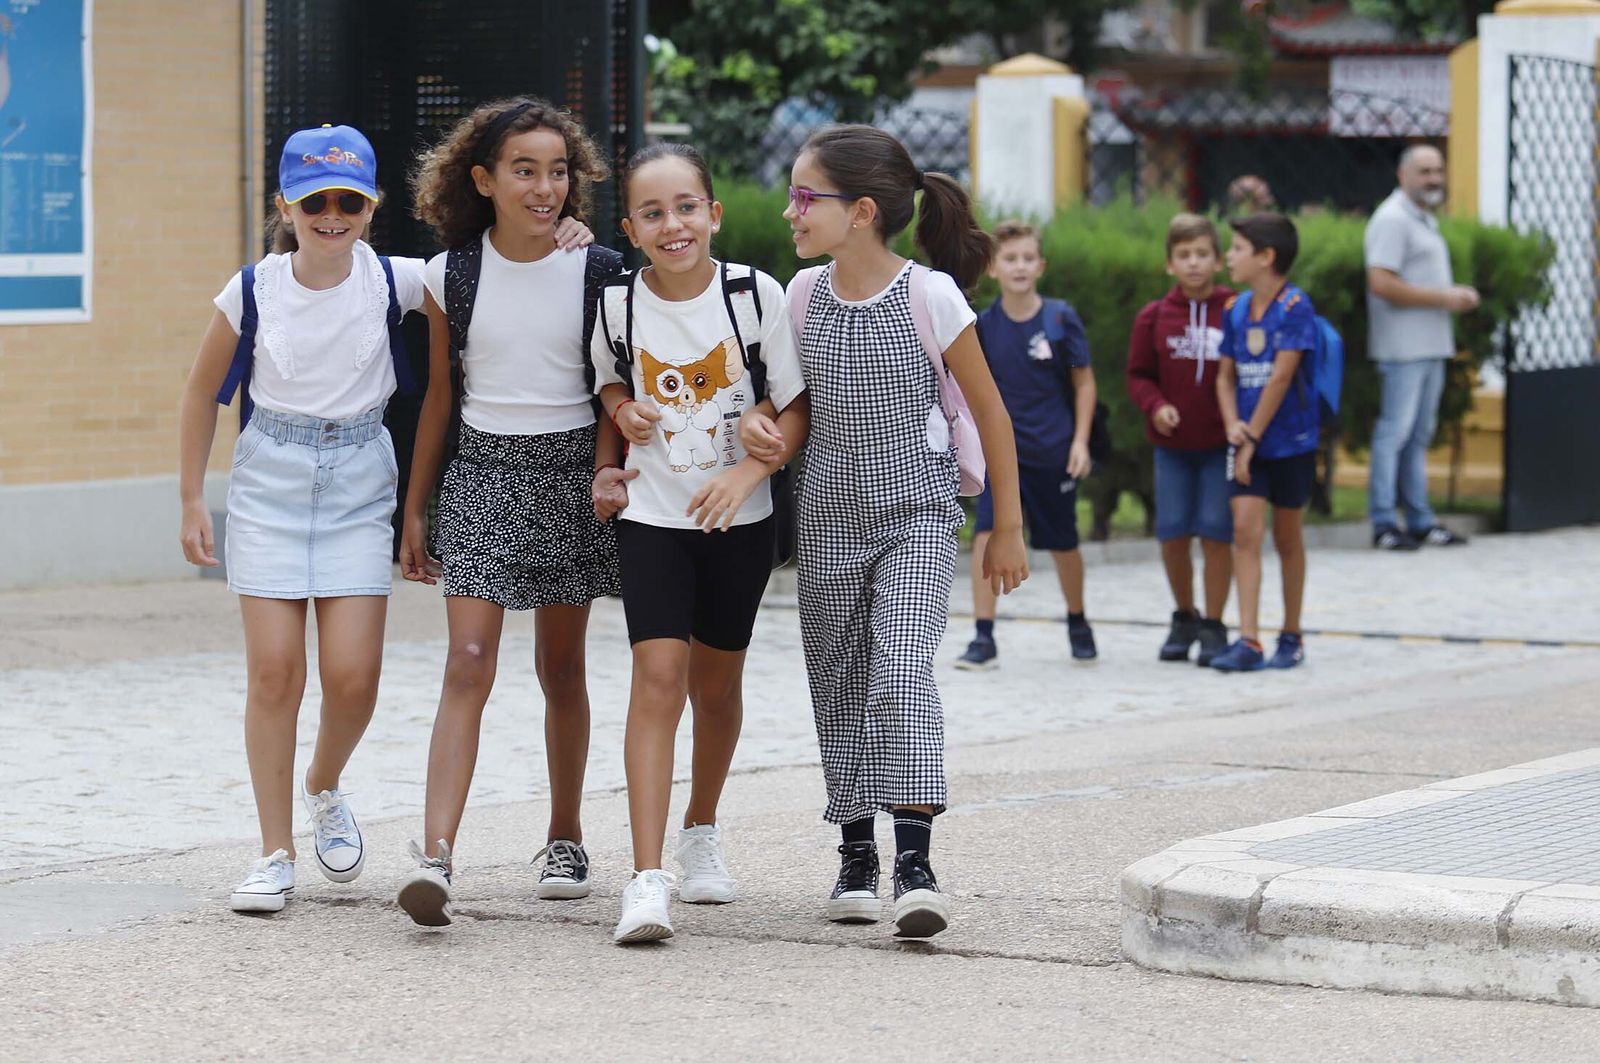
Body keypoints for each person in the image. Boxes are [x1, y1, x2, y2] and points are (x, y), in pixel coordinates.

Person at [746, 126, 1028, 940]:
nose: (791, 210)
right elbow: (784, 403)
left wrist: (1005, 528)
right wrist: (766, 428)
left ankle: (915, 860)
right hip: (828, 515)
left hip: (916, 513)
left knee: (900, 673)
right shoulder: (799, 296)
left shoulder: (929, 296)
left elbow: (991, 412)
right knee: (837, 680)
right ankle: (855, 851)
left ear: (862, 212)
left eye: (807, 196)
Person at [178, 124, 427, 912]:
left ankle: (324, 781)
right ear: (285, 203)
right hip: (271, 482)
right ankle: (274, 850)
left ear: (370, 204)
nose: (331, 213)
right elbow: (199, 394)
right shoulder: (251, 289)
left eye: (347, 199)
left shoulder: (398, 281)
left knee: (353, 676)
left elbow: (501, 267)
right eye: (314, 199)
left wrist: (568, 233)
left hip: (359, 480)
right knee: (275, 671)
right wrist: (190, 496)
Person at [394, 97, 621, 927]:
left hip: (570, 477)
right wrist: (413, 508)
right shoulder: (447, 273)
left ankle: (565, 834)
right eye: (525, 171)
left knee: (561, 668)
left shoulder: (598, 270)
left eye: (559, 171)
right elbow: (439, 399)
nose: (545, 187)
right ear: (484, 179)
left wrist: (607, 474)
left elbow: (611, 395)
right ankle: (436, 855)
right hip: (483, 475)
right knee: (468, 659)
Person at [591, 142, 809, 944]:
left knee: (715, 689)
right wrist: (623, 413)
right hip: (652, 517)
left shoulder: (755, 295)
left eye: (686, 206)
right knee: (658, 674)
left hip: (737, 525)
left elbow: (795, 406)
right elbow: (610, 378)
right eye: (653, 212)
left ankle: (702, 828)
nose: (672, 223)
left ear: (712, 214)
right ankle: (647, 878)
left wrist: (749, 475)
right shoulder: (616, 304)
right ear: (632, 228)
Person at [955, 219, 1097, 670]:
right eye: (1009, 258)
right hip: (1002, 457)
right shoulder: (983, 325)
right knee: (985, 536)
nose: (1019, 266)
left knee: (1064, 543)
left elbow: (1085, 383)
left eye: (1027, 258)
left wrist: (1080, 442)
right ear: (993, 268)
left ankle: (1077, 619)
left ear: (1041, 265)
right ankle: (983, 635)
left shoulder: (1059, 319)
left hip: (1053, 452)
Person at [1126, 213, 1235, 665]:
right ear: (1169, 264)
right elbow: (1138, 375)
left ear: (1219, 260)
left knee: (1215, 533)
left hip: (1219, 447)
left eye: (1202, 254)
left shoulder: (1235, 310)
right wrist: (1156, 405)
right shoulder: (1154, 317)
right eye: (1184, 255)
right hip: (1172, 449)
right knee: (1172, 535)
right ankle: (1184, 615)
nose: (1194, 264)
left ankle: (1213, 623)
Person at [1211, 213, 1318, 673]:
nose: (1229, 257)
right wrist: (1234, 424)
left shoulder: (1296, 307)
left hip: (1289, 442)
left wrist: (1252, 434)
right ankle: (1249, 639)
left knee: (1287, 536)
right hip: (1247, 439)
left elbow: (1281, 376)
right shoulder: (1235, 308)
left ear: (1266, 256)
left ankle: (1291, 633)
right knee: (1244, 531)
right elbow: (1224, 377)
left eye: (1237, 248)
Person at [1364, 144, 1476, 550]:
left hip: (1430, 345)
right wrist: (1443, 298)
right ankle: (1382, 523)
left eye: (1437, 170)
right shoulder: (1392, 220)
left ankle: (1420, 520)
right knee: (1393, 434)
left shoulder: (1423, 220)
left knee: (1417, 438)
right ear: (1402, 175)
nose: (1433, 179)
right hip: (1402, 348)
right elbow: (1381, 282)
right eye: (1424, 171)